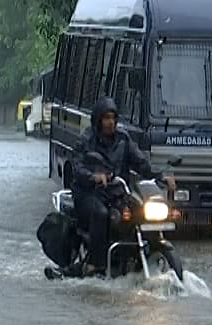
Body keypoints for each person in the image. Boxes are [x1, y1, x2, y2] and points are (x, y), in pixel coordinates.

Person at [71, 97, 175, 275]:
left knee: (139, 210)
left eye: (113, 118)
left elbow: (142, 163)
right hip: (89, 193)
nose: (110, 122)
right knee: (101, 213)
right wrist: (93, 176)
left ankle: (139, 252)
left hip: (117, 192)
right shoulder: (87, 140)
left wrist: (161, 175)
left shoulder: (123, 139)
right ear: (98, 120)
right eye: (106, 118)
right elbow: (77, 166)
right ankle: (95, 263)